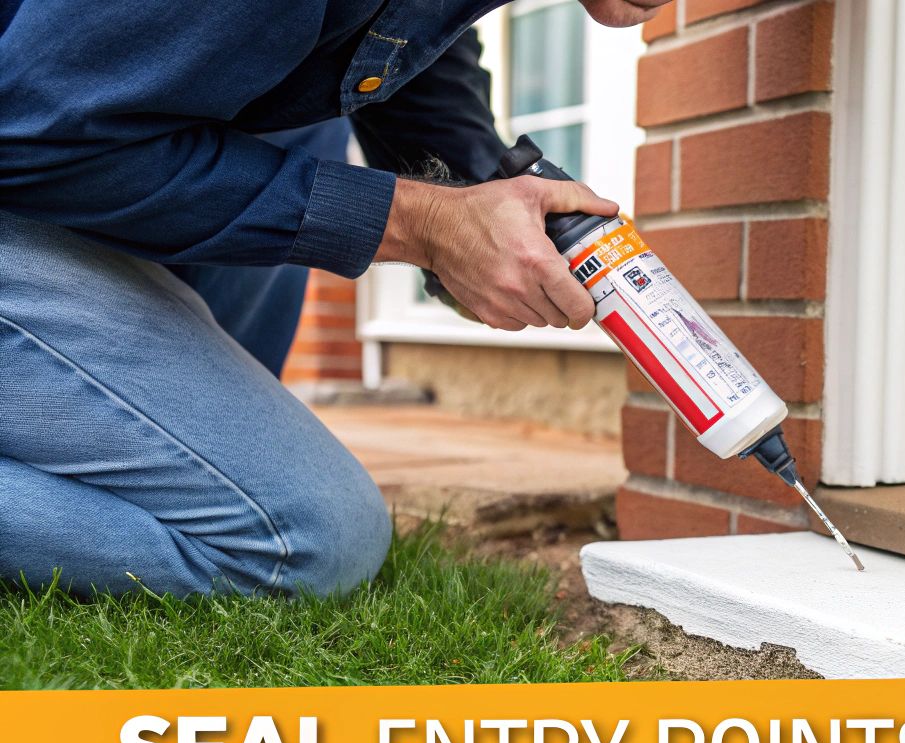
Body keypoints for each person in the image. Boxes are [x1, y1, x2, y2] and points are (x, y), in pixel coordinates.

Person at [0, 0, 671, 596]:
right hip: (28, 162)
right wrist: (424, 225)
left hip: (65, 172)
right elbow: (32, 132)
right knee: (302, 539)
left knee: (208, 484)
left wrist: (481, 215)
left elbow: (402, 46)